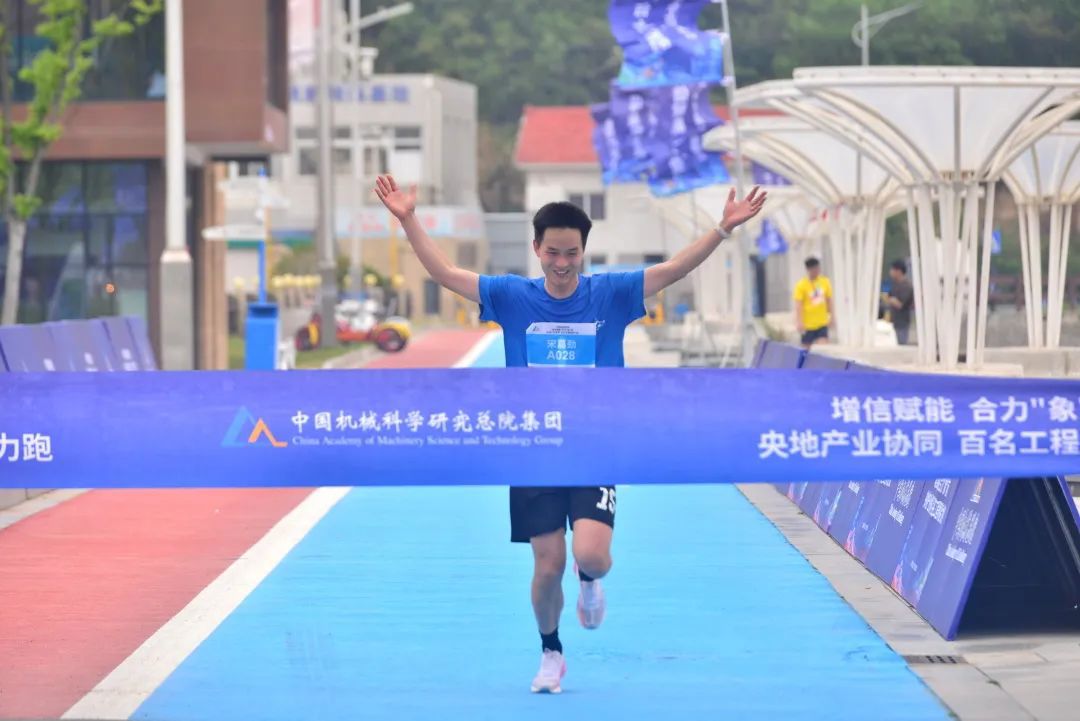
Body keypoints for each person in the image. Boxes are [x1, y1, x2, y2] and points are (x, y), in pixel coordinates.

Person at [373, 173, 766, 694]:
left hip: (595, 447)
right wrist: (407, 219)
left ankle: (590, 580)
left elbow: (673, 269)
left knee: (591, 556)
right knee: (546, 567)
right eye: (553, 253)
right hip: (533, 451)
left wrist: (722, 229)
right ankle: (551, 651)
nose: (562, 264)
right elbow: (445, 273)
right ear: (536, 248)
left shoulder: (611, 294)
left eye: (572, 253)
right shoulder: (512, 297)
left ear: (584, 251)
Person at [793, 256, 833, 349]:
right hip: (808, 325)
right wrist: (799, 322)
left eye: (818, 268)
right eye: (814, 269)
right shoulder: (801, 285)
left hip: (822, 322)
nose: (817, 271)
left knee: (823, 348)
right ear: (809, 270)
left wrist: (832, 316)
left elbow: (829, 300)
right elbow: (798, 305)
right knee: (805, 350)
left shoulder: (824, 282)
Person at [882, 259, 914, 345]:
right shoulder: (894, 284)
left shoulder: (907, 286)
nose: (890, 272)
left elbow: (900, 304)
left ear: (899, 271)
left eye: (892, 269)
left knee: (901, 344)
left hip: (902, 323)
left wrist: (890, 300)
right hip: (892, 321)